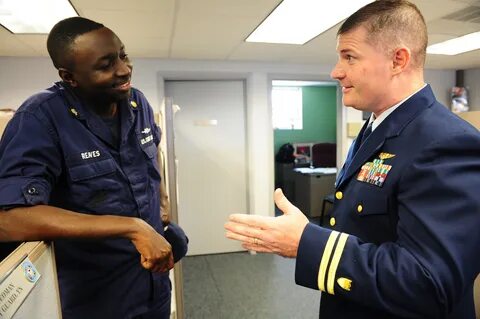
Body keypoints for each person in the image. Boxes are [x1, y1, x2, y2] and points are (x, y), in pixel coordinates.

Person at [225, 1, 480, 318]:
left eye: (349, 56)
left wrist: (307, 243)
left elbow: (428, 283)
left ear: (397, 60)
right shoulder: (376, 127)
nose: (336, 71)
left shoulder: (446, 142)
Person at [0, 17, 187, 319]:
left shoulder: (137, 104)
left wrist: (160, 217)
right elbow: (9, 220)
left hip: (152, 285)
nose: (124, 69)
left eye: (123, 55)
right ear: (69, 76)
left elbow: (150, 170)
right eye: (106, 65)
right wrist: (132, 227)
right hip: (96, 298)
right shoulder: (39, 118)